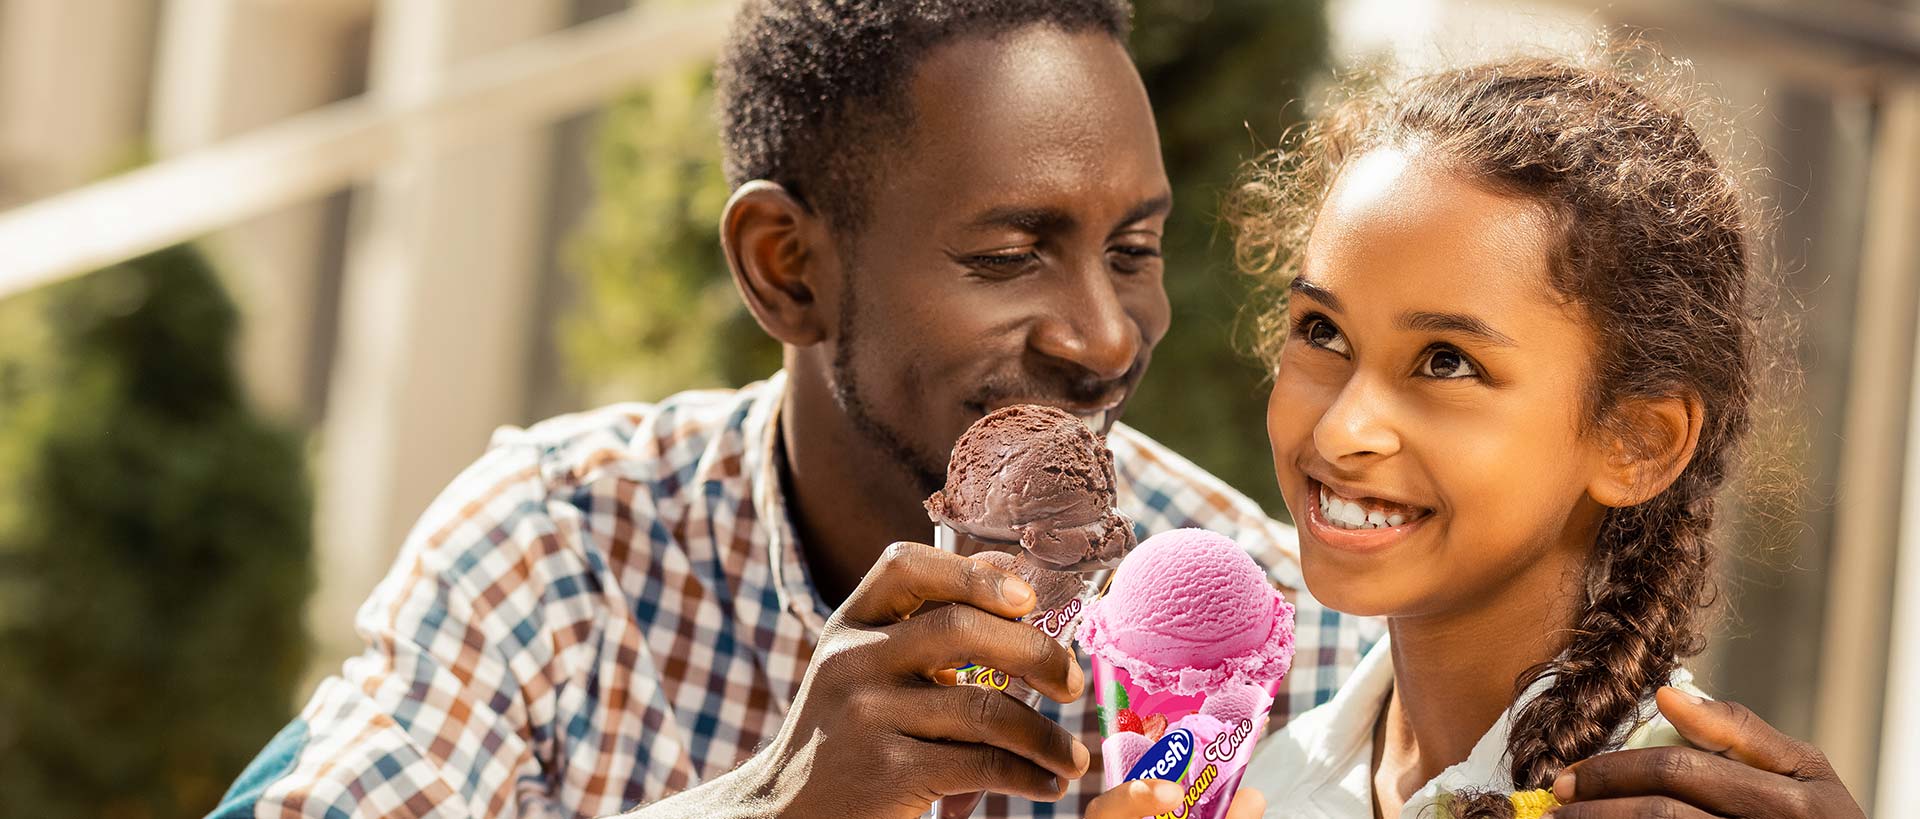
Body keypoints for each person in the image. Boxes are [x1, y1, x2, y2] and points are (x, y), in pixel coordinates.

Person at [212, 2, 1859, 817]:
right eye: (1012, 253)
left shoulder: (1259, 628)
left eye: (1134, 250)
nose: (1100, 333)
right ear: (788, 267)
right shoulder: (563, 547)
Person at [1212, 53, 1867, 819]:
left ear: (1637, 441)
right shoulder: (1265, 776)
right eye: (1322, 331)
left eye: (1447, 362)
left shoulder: (1685, 808)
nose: (1342, 427)